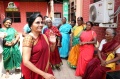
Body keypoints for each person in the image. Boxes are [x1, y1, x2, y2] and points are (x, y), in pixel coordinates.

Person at [21, 13, 55, 79]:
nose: (40, 25)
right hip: (33, 72)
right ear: (31, 25)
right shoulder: (28, 38)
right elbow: (25, 61)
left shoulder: (44, 36)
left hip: (45, 68)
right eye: (37, 23)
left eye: (41, 22)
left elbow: (51, 51)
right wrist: (44, 74)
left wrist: (53, 43)